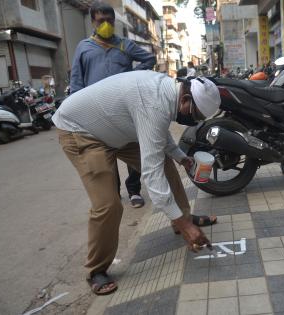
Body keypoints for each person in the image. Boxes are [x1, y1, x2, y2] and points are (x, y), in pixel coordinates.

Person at [52, 70, 220, 295]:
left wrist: (181, 157)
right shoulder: (154, 103)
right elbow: (151, 175)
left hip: (118, 129)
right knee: (108, 204)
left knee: (166, 165)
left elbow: (157, 131)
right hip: (82, 131)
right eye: (196, 116)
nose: (195, 121)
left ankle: (182, 218)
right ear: (186, 99)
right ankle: (96, 270)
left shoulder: (169, 93)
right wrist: (186, 227)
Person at [70, 1, 156, 208]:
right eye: (101, 21)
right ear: (93, 22)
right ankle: (114, 193)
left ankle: (134, 189)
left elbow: (150, 59)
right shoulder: (84, 47)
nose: (106, 24)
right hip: (96, 111)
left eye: (110, 20)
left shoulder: (125, 45)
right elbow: (76, 80)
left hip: (125, 109)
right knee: (106, 154)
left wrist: (131, 75)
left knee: (133, 148)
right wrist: (76, 110)